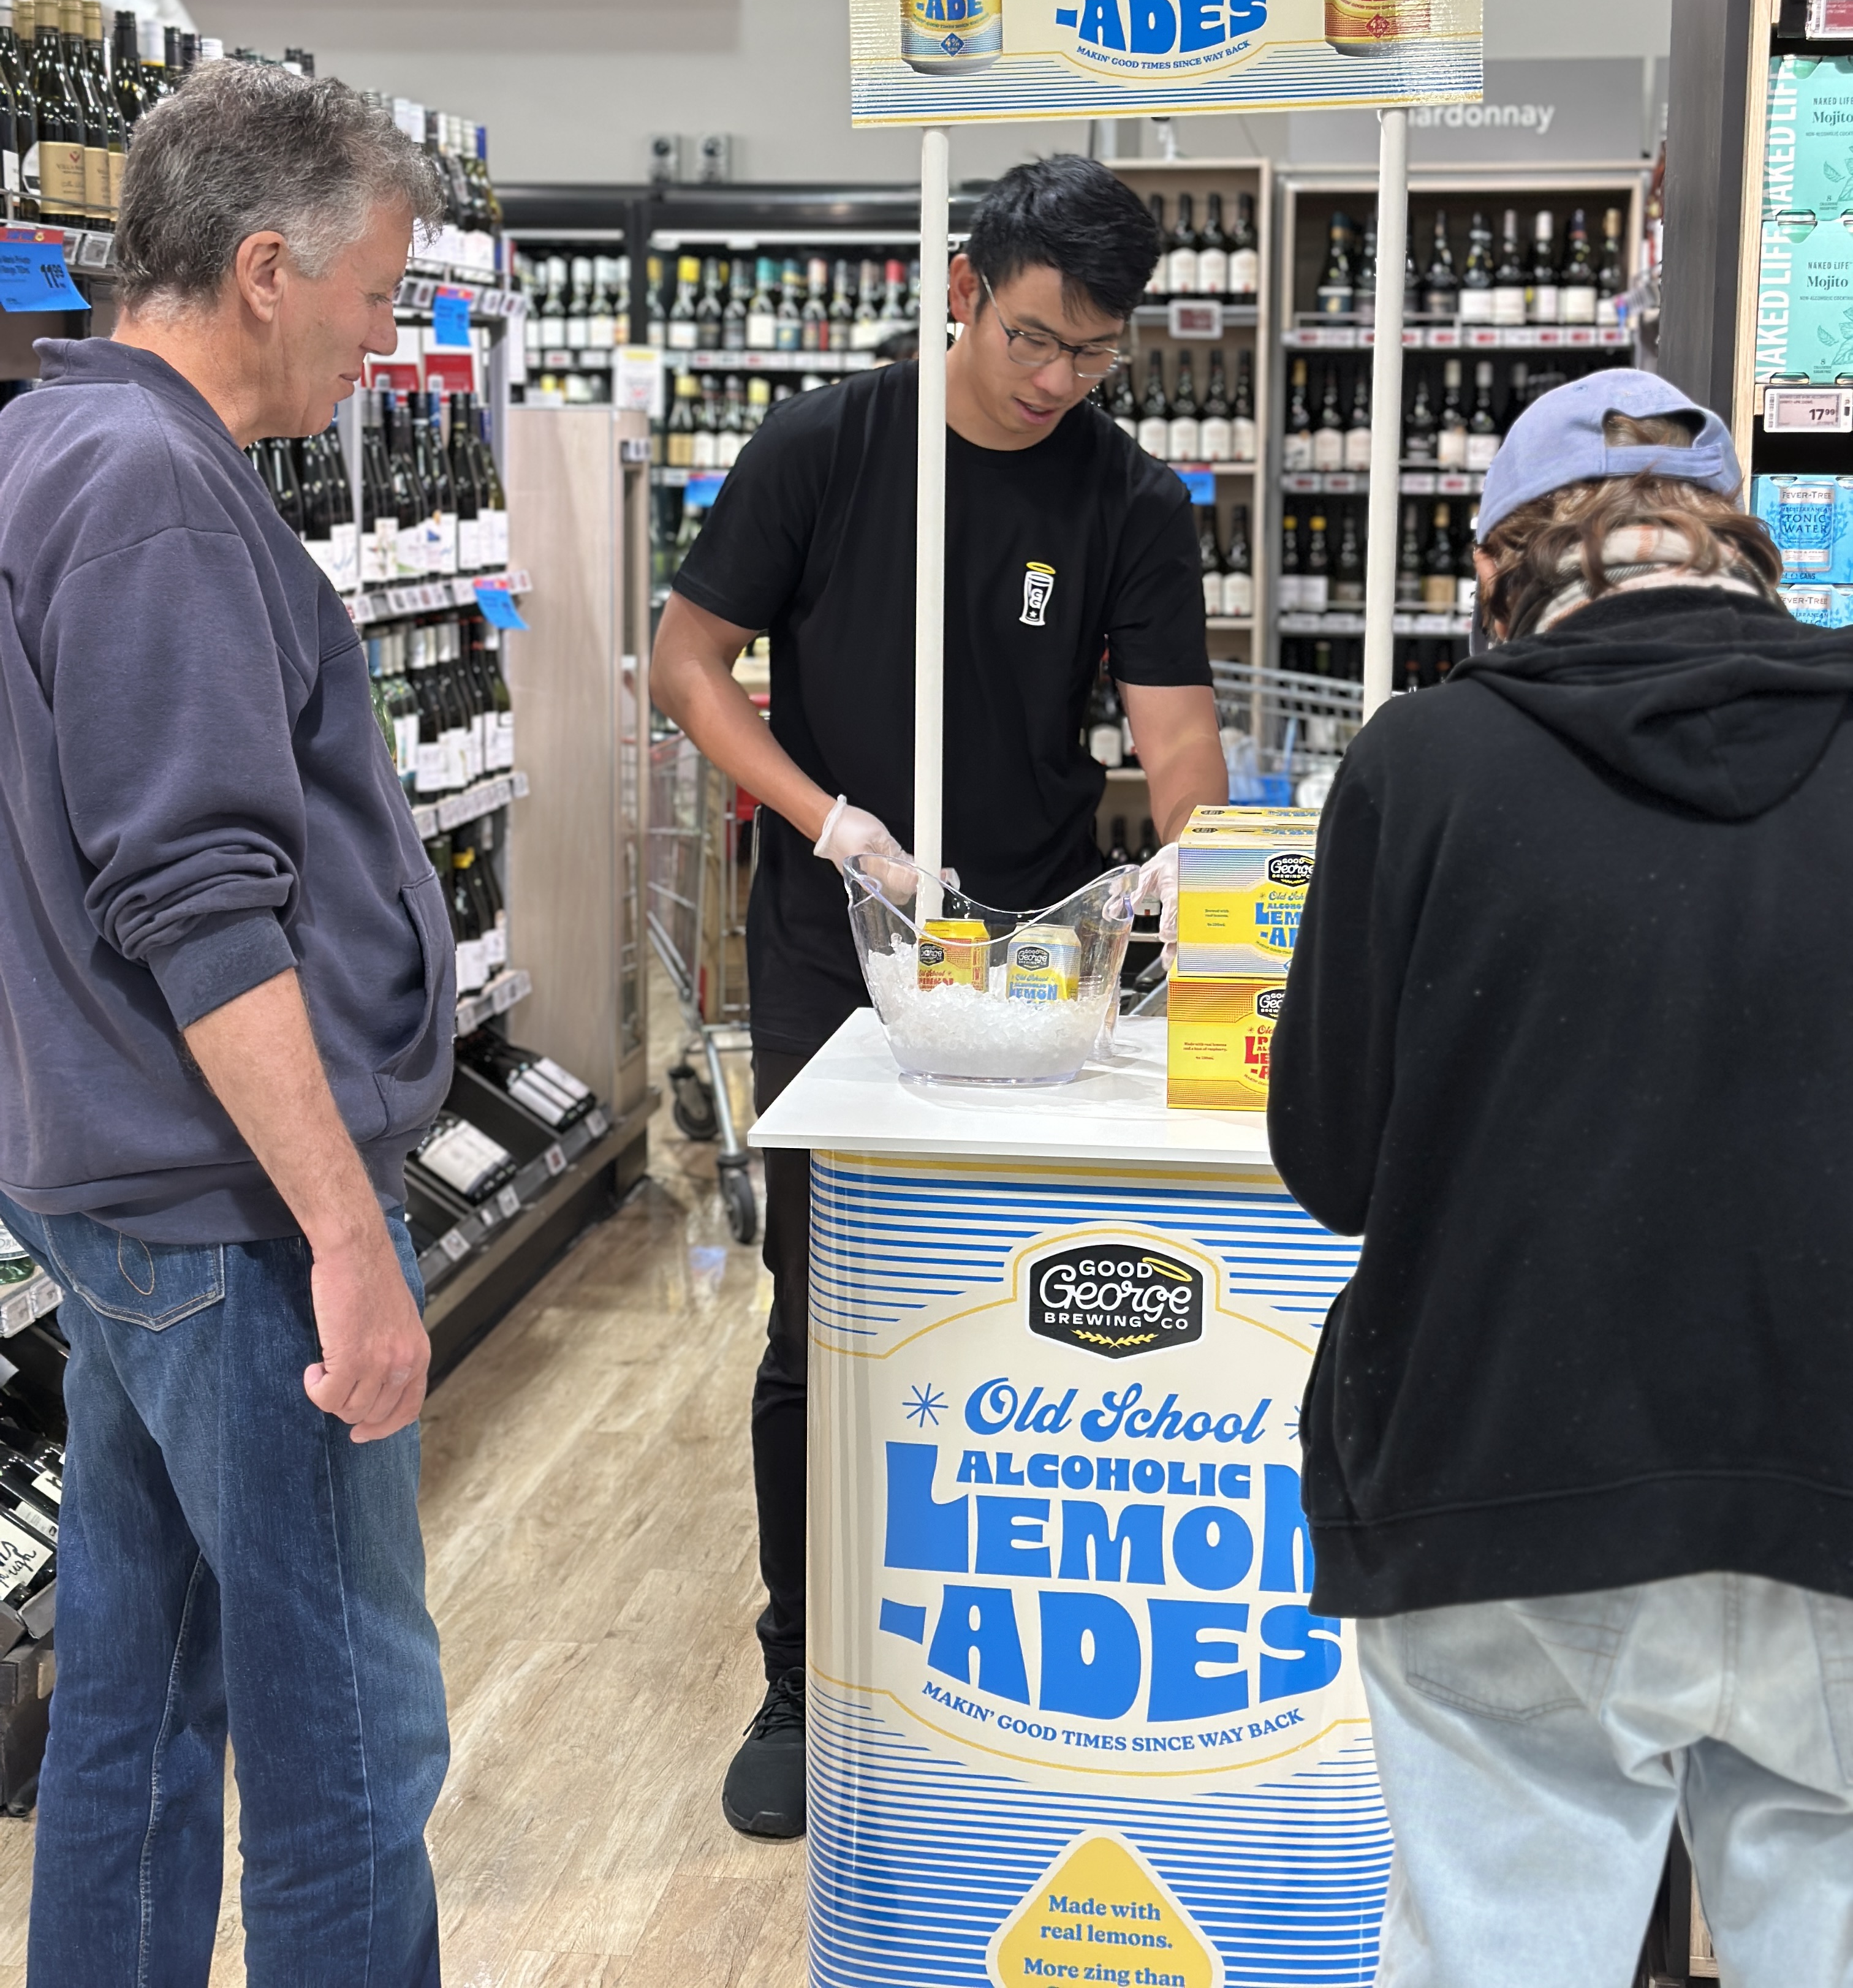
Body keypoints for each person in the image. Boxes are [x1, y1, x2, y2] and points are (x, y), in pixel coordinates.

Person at [651, 155, 1227, 1839]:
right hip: (838, 944)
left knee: (1013, 1301)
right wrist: (828, 820)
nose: (1059, 379)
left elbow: (1180, 740)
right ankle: (799, 1673)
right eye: (1036, 339)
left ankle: (986, 1667)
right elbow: (688, 663)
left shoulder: (1129, 499)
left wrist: (1189, 864)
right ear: (963, 291)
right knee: (820, 1308)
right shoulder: (827, 448)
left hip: (1038, 950)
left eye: (1097, 354)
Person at [1268, 368, 1853, 1986]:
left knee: (1503, 1947)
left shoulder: (1425, 760)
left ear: (1497, 570)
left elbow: (1331, 1160)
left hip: (1501, 1475)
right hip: (1832, 1478)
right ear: (1740, 543)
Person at [0, 63, 455, 1986]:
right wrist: (345, 1234)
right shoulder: (154, 495)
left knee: (137, 1681)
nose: (387, 337)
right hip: (233, 1209)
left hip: (124, 1189)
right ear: (267, 269)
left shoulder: (54, 442)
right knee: (348, 1733)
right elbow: (196, 904)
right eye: (377, 292)